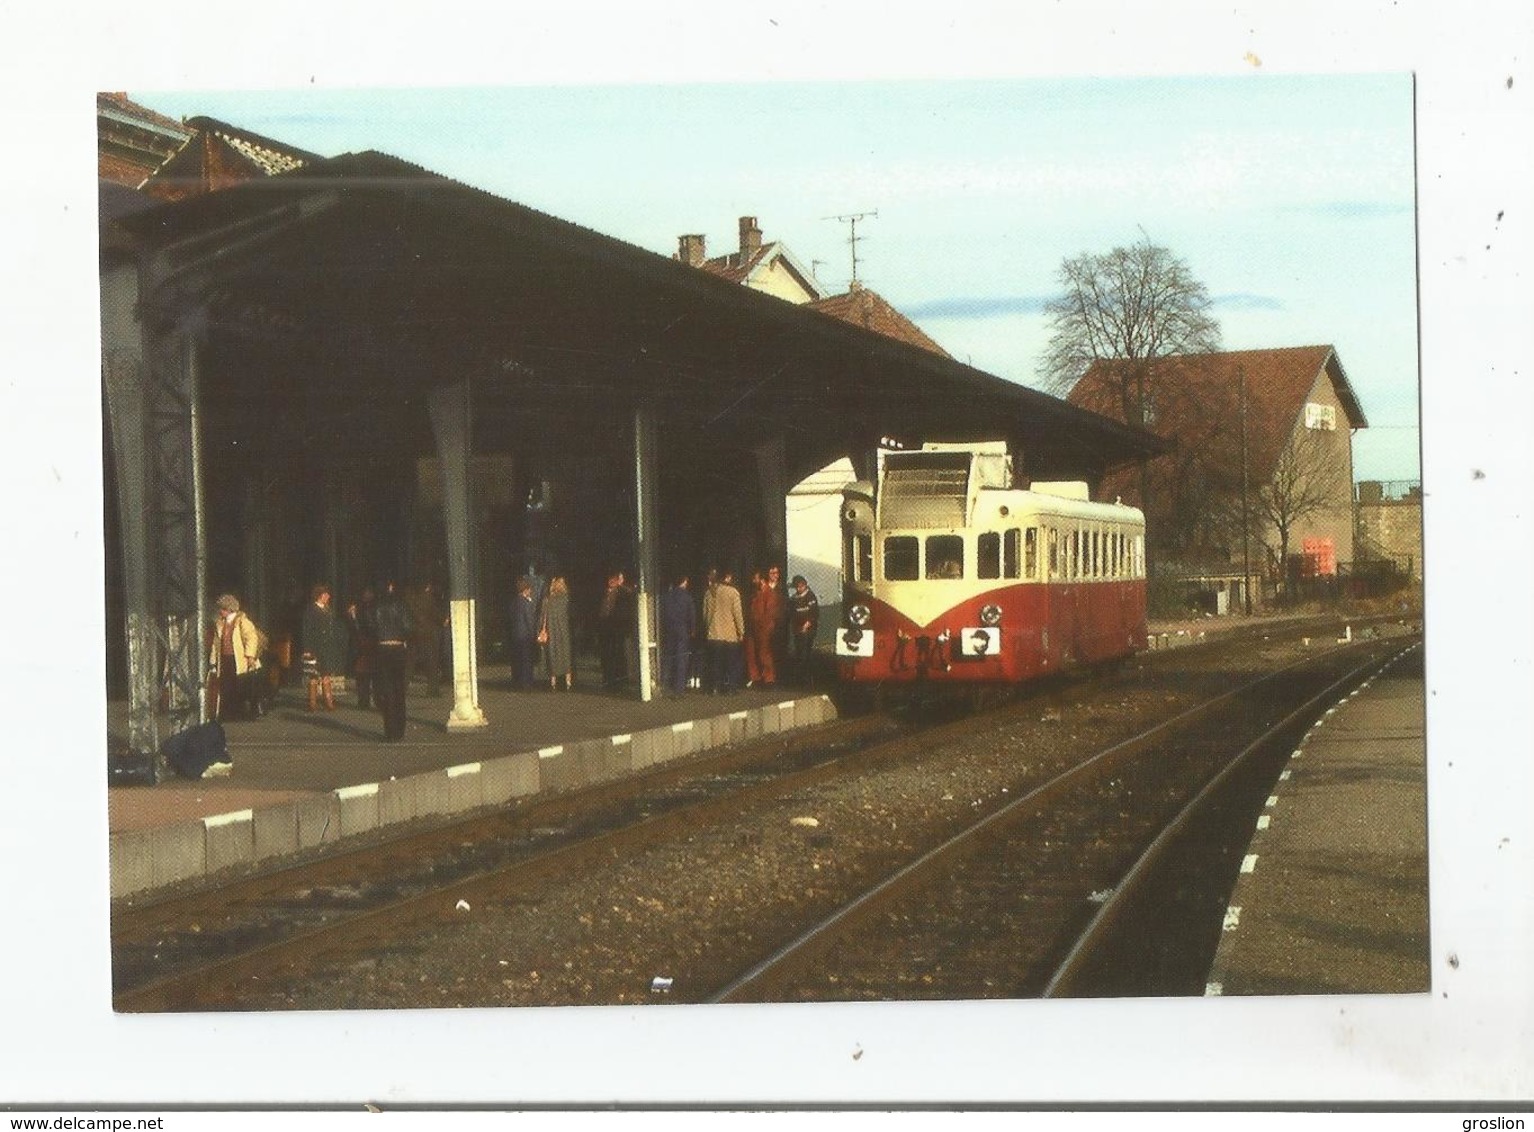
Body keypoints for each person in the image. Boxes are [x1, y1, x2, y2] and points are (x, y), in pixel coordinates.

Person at [208, 593, 263, 722]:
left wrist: (250, 656)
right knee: (227, 686)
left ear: (229, 609)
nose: (220, 612)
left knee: (241, 686)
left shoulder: (242, 621)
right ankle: (229, 713)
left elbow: (251, 638)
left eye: (222, 609)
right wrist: (213, 661)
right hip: (225, 658)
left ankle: (243, 712)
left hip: (240, 659)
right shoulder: (220, 624)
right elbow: (216, 644)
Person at [371, 579, 414, 741]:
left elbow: (371, 625)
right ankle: (400, 729)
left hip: (382, 648)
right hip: (397, 647)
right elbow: (409, 626)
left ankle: (389, 730)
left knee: (386, 689)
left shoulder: (377, 606)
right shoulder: (401, 605)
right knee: (399, 689)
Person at [300, 583, 347, 712]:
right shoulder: (310, 611)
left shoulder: (328, 610)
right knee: (313, 675)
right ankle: (312, 703)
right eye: (326, 594)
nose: (329, 596)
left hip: (327, 648)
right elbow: (307, 631)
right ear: (320, 596)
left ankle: (329, 701)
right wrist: (307, 649)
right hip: (315, 647)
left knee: (326, 674)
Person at [704, 568, 745, 693]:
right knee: (730, 662)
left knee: (715, 662)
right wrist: (741, 631)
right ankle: (731, 688)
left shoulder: (709, 593)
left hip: (714, 633)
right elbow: (737, 614)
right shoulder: (733, 593)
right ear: (728, 578)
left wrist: (709, 628)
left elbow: (705, 614)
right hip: (730, 634)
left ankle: (715, 687)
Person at [405, 579, 448, 697]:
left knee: (410, 662)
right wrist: (444, 620)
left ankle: (403, 687)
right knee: (432, 662)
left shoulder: (410, 598)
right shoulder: (427, 598)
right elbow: (435, 613)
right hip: (428, 633)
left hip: (414, 633)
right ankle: (432, 690)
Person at [597, 570, 634, 691]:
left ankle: (619, 680)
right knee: (607, 655)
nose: (611, 582)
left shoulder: (623, 593)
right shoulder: (604, 593)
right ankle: (609, 679)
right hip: (606, 628)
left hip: (617, 628)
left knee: (618, 654)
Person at [659, 573, 696, 694]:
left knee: (669, 657)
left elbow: (663, 614)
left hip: (669, 629)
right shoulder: (687, 597)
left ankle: (664, 683)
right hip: (682, 630)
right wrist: (692, 630)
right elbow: (691, 616)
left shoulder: (667, 596)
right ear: (684, 581)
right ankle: (679, 688)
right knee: (681, 659)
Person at [749, 566, 784, 687]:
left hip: (764, 627)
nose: (754, 581)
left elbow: (769, 612)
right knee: (758, 652)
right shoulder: (759, 593)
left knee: (765, 653)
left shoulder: (767, 593)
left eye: (756, 579)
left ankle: (769, 678)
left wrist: (765, 626)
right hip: (759, 626)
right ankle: (762, 677)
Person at [346, 586, 378, 710]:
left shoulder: (360, 610)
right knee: (370, 674)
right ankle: (370, 700)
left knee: (362, 675)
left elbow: (356, 627)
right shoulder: (371, 609)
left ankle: (363, 700)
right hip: (369, 644)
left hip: (362, 644)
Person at [541, 574, 574, 691]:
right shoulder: (566, 599)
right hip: (564, 632)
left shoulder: (547, 600)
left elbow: (542, 617)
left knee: (553, 655)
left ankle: (553, 682)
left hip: (552, 632)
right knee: (566, 656)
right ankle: (568, 682)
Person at [787, 574, 820, 685]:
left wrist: (807, 625)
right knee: (799, 652)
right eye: (797, 586)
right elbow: (791, 614)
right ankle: (800, 677)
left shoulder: (810, 597)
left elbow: (814, 613)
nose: (799, 588)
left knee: (806, 652)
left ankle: (807, 677)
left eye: (801, 586)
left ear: (805, 585)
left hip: (808, 629)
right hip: (797, 629)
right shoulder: (794, 599)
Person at [509, 576, 540, 690]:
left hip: (516, 634)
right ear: (525, 590)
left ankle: (517, 681)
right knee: (527, 660)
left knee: (518, 660)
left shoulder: (514, 602)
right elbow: (529, 620)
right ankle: (526, 682)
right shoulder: (526, 603)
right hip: (526, 636)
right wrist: (534, 634)